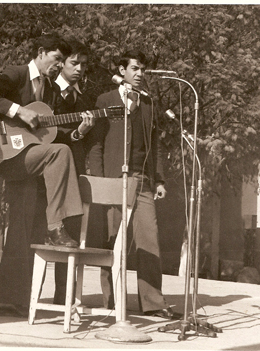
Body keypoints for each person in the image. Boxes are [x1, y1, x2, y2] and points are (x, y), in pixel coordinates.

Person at [0, 34, 83, 318]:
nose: (59, 66)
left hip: (29, 161)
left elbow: (44, 130)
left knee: (24, 231)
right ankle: (57, 224)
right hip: (5, 153)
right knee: (60, 153)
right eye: (56, 59)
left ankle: (10, 302)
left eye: (62, 61)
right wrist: (17, 109)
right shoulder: (16, 74)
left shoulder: (48, 88)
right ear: (40, 52)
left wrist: (77, 131)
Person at [87, 50, 178, 319]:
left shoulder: (149, 104)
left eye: (143, 70)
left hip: (142, 181)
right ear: (122, 70)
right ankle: (112, 302)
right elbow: (96, 144)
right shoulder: (105, 99)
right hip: (114, 179)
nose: (140, 74)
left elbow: (156, 146)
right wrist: (102, 181)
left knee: (150, 241)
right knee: (114, 240)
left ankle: (153, 302)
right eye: (135, 69)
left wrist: (158, 179)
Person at [50, 38, 96, 305]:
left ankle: (63, 296)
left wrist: (82, 132)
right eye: (74, 62)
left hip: (75, 168)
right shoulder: (48, 91)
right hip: (46, 168)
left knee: (69, 232)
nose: (79, 68)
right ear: (62, 63)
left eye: (83, 64)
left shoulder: (87, 99)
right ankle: (23, 299)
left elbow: (88, 141)